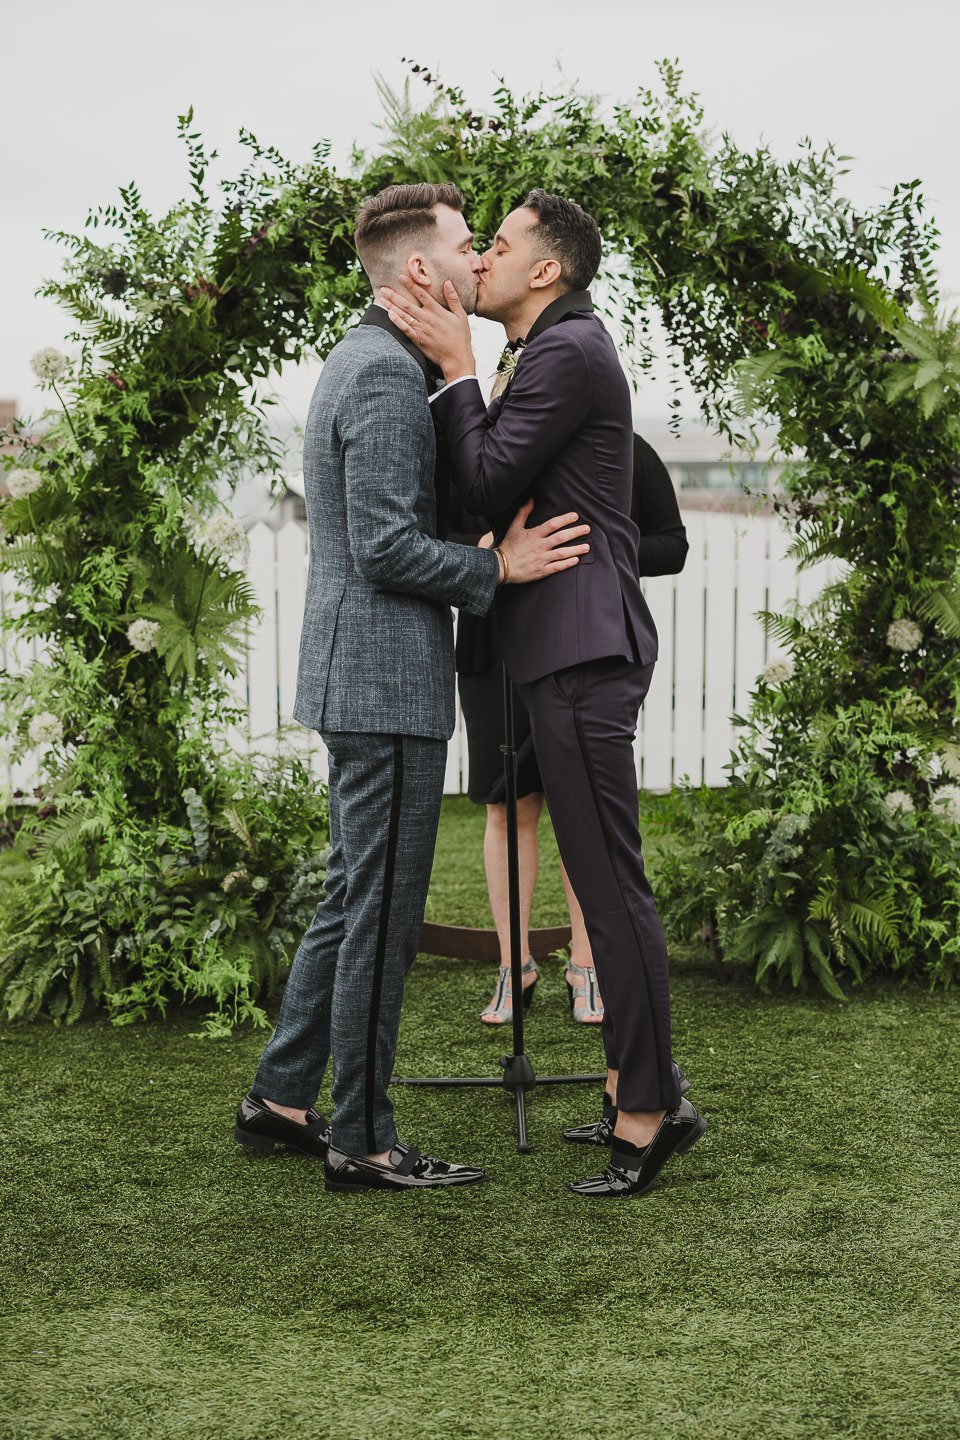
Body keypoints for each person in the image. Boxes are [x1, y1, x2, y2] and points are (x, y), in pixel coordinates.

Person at [234, 182, 591, 1194]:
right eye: (469, 246)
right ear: (421, 269)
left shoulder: (369, 357)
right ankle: (366, 1138)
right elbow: (389, 548)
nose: (481, 260)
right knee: (382, 913)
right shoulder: (388, 377)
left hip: (361, 673)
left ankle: (282, 1097)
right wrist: (498, 569)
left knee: (354, 898)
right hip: (384, 682)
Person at [382, 189, 707, 1199]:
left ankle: (650, 1116)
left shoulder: (566, 349)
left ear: (547, 271)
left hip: (579, 649)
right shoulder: (556, 348)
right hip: (566, 647)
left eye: (503, 243)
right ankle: (634, 1087)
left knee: (611, 890)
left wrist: (454, 371)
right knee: (610, 885)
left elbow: (480, 482)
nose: (483, 257)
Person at [449, 434, 689, 1028]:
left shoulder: (623, 449)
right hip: (493, 646)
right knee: (506, 807)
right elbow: (440, 531)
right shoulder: (479, 450)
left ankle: (586, 964)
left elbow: (672, 546)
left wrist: (589, 550)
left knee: (579, 808)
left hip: (579, 642)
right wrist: (493, 552)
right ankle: (514, 964)